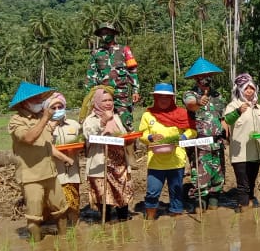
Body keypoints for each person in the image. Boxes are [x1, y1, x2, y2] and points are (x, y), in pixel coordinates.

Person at [7, 81, 70, 241]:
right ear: (25, 102)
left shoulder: (41, 117)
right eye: (35, 99)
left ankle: (64, 239)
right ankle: (36, 245)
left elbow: (47, 144)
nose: (40, 101)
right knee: (34, 216)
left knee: (61, 210)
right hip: (31, 177)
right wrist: (45, 119)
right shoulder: (16, 121)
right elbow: (29, 138)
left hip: (50, 173)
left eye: (40, 98)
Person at [139, 83, 196, 219]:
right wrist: (150, 137)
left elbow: (192, 129)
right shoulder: (148, 114)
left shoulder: (181, 113)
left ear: (172, 99)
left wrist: (183, 136)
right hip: (156, 161)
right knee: (152, 191)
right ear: (156, 98)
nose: (163, 100)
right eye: (160, 97)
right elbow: (141, 135)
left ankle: (176, 217)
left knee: (176, 191)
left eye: (167, 97)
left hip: (176, 160)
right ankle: (150, 219)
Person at [81, 85, 134, 221]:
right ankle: (106, 223)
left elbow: (123, 136)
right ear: (97, 102)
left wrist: (129, 139)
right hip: (101, 163)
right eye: (104, 101)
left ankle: (123, 225)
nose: (108, 103)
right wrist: (103, 121)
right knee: (103, 198)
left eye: (110, 100)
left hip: (119, 164)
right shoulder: (90, 120)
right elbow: (89, 135)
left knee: (122, 197)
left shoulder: (116, 118)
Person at [183, 57, 228, 211]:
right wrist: (198, 102)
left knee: (218, 178)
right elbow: (190, 105)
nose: (206, 78)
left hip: (217, 144)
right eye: (202, 76)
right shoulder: (190, 94)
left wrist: (225, 130)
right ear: (196, 78)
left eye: (208, 75)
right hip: (200, 145)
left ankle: (214, 209)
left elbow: (221, 117)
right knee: (200, 180)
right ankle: (200, 206)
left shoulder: (217, 96)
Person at [223, 73, 260, 209]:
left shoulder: (258, 107)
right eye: (246, 88)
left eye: (252, 88)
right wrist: (238, 111)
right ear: (240, 90)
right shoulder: (233, 105)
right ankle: (243, 209)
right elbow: (227, 120)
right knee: (243, 184)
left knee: (251, 182)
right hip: (240, 154)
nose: (250, 91)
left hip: (255, 151)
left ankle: (249, 205)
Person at [85, 23, 140, 130]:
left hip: (121, 94)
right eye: (102, 33)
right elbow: (91, 76)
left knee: (126, 122)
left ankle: (132, 145)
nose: (105, 35)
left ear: (113, 34)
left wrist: (135, 90)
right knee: (101, 123)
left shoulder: (125, 50)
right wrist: (90, 95)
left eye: (107, 33)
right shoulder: (96, 53)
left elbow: (132, 71)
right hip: (103, 95)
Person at [50, 93, 82, 226]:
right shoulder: (45, 127)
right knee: (59, 203)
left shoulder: (74, 125)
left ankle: (74, 227)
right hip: (55, 171)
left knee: (74, 201)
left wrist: (77, 149)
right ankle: (61, 227)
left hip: (73, 171)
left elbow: (81, 142)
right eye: (54, 107)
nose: (57, 110)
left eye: (60, 106)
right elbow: (46, 148)